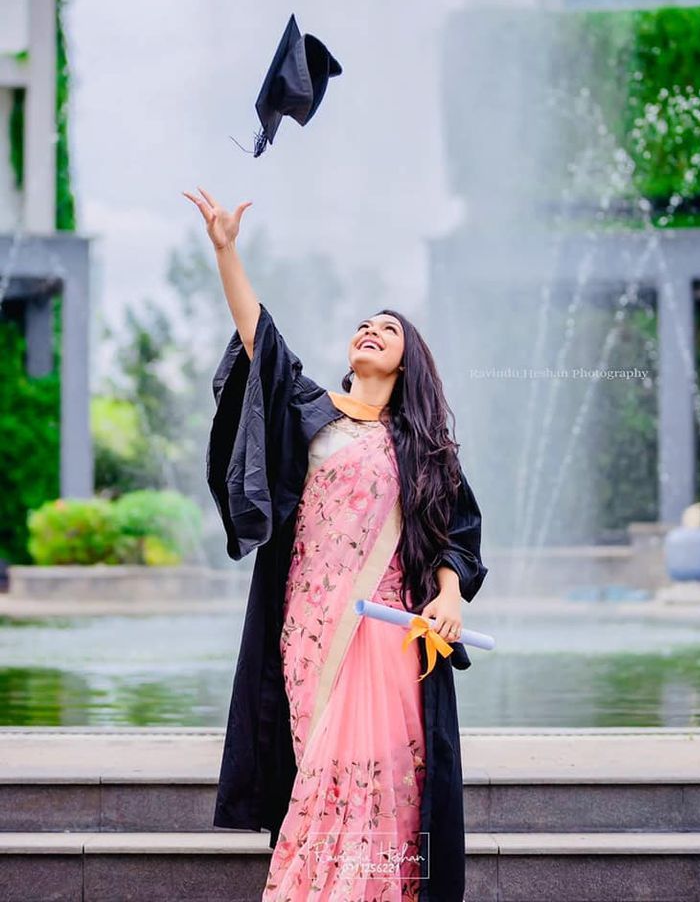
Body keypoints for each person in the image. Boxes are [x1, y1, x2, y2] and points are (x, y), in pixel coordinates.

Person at [183, 186, 488, 902]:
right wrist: (227, 249)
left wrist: (448, 597)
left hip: (389, 637)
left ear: (409, 360)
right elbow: (261, 340)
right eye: (363, 324)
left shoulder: (428, 451)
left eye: (388, 327)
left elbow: (458, 539)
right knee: (322, 770)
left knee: (384, 780)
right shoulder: (310, 411)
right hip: (311, 631)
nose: (371, 329)